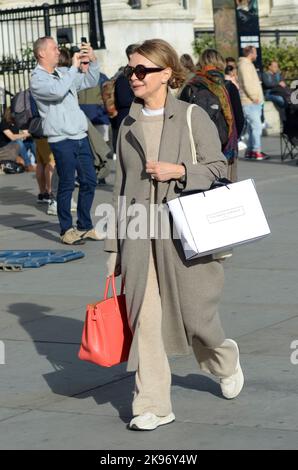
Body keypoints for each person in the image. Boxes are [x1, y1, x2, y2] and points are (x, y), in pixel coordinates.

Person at [105, 38, 244, 431]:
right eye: (130, 69)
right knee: (144, 322)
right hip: (137, 238)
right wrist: (113, 250)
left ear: (166, 74)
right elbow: (120, 188)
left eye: (142, 70)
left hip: (184, 236)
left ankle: (224, 359)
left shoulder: (191, 115)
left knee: (198, 320)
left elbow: (219, 166)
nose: (133, 77)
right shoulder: (127, 123)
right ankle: (152, 404)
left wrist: (180, 171)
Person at [30, 36, 105, 245]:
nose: (58, 51)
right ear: (41, 53)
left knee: (90, 181)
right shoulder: (37, 79)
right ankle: (66, 230)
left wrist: (92, 60)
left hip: (79, 135)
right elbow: (57, 91)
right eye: (54, 48)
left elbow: (89, 81)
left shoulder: (63, 73)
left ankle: (84, 225)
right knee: (66, 184)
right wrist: (73, 68)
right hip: (61, 138)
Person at [180, 49, 239, 181]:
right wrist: (232, 139)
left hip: (195, 149)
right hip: (226, 149)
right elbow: (239, 119)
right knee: (226, 188)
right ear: (221, 63)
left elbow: (180, 118)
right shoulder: (228, 86)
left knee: (200, 189)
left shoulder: (190, 86)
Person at [238, 45, 268, 161]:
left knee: (252, 127)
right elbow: (246, 82)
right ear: (250, 53)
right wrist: (254, 97)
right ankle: (256, 150)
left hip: (251, 101)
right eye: (255, 52)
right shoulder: (245, 65)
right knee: (256, 127)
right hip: (250, 101)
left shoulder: (247, 64)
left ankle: (251, 150)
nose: (256, 55)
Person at [0, 107, 36, 172]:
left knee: (31, 141)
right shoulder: (4, 123)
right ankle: (28, 165)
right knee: (18, 141)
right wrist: (26, 134)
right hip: (5, 147)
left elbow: (26, 132)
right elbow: (12, 137)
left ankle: (40, 163)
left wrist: (31, 132)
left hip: (14, 145)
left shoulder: (16, 122)